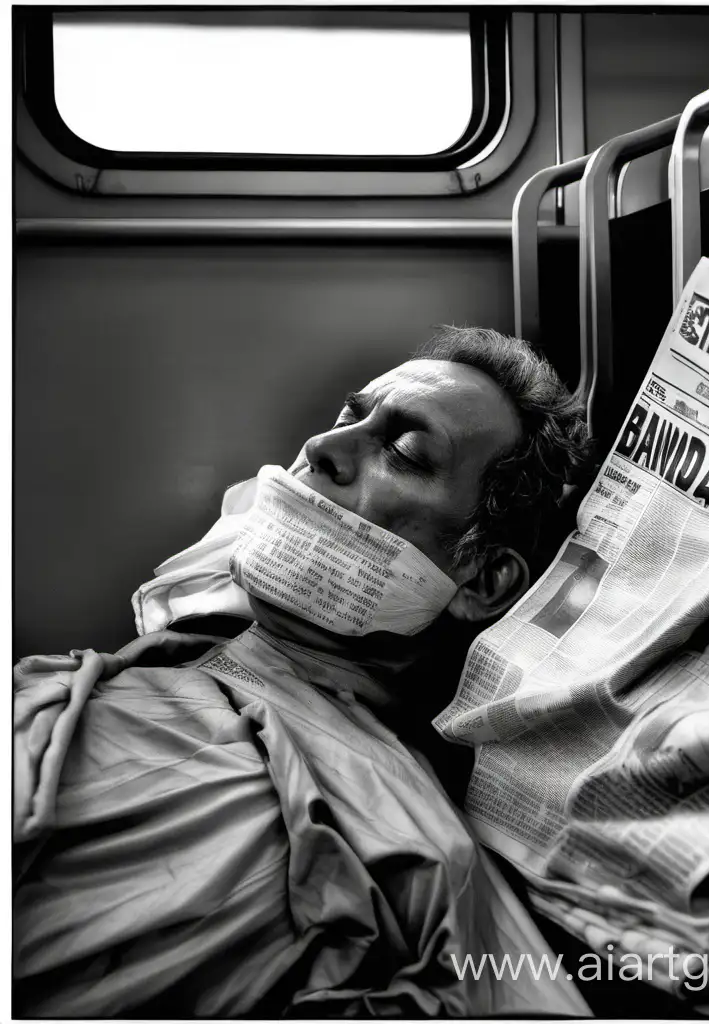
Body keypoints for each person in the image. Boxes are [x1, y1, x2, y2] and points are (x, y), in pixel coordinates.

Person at [13, 327, 592, 1018]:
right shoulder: (119, 675)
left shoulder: (396, 840)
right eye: (351, 417)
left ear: (482, 575)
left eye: (405, 452)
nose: (322, 449)